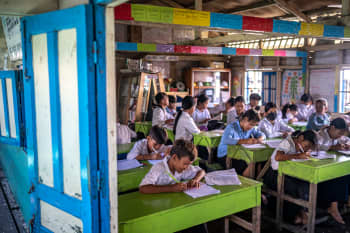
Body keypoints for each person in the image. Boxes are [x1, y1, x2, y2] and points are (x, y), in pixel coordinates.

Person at [139, 139, 207, 233]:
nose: (186, 167)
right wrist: (171, 188)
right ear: (174, 157)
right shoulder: (159, 168)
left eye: (189, 164)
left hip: (175, 207)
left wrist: (195, 180)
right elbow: (143, 188)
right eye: (185, 164)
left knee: (199, 220)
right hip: (159, 211)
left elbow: (202, 171)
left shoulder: (182, 167)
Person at [264, 130, 317, 224]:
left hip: (288, 174)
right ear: (301, 138)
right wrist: (298, 155)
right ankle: (294, 215)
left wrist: (303, 154)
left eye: (309, 148)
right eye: (306, 146)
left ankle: (302, 211)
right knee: (296, 188)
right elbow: (278, 157)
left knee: (306, 184)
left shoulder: (299, 147)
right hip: (274, 176)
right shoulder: (287, 142)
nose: (306, 149)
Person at [316, 117, 350, 224]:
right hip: (321, 170)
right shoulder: (321, 134)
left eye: (342, 134)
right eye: (339, 133)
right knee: (337, 175)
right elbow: (317, 146)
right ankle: (333, 208)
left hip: (332, 165)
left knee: (346, 173)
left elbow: (346, 140)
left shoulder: (339, 136)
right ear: (333, 128)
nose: (340, 136)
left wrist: (347, 145)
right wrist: (332, 147)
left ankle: (345, 203)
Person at [217, 110, 265, 176]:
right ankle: (246, 180)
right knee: (247, 164)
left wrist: (259, 139)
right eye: (251, 124)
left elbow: (262, 135)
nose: (252, 127)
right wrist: (246, 141)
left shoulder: (251, 128)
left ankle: (253, 180)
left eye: (254, 125)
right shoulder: (231, 127)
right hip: (225, 155)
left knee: (258, 161)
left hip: (241, 153)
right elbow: (226, 140)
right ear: (245, 119)